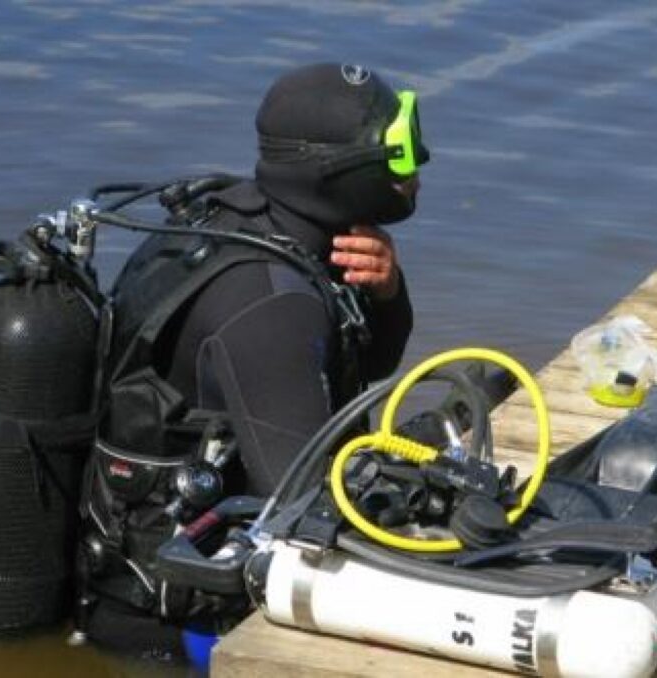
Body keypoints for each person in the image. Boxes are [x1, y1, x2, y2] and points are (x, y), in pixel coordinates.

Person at [76, 62, 428, 658]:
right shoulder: (273, 308)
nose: (420, 164)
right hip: (173, 627)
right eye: (400, 151)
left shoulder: (246, 223)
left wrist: (387, 291)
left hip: (124, 575)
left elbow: (372, 362)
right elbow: (306, 509)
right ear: (335, 169)